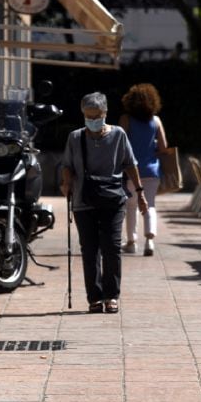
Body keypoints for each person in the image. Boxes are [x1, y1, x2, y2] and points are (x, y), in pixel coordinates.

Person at [61, 92, 148, 314]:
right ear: (83, 114)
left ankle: (111, 296)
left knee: (111, 248)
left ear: (105, 113)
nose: (92, 120)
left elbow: (130, 163)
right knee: (89, 251)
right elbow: (67, 165)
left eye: (97, 116)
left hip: (113, 198)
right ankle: (94, 297)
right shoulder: (75, 137)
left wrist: (140, 192)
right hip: (83, 200)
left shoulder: (118, 135)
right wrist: (66, 183)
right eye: (88, 116)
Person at [118, 83, 169, 256]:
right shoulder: (156, 121)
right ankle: (150, 240)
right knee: (150, 205)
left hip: (131, 170)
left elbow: (119, 143)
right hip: (152, 170)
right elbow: (163, 147)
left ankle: (131, 242)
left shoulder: (125, 119)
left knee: (131, 205)